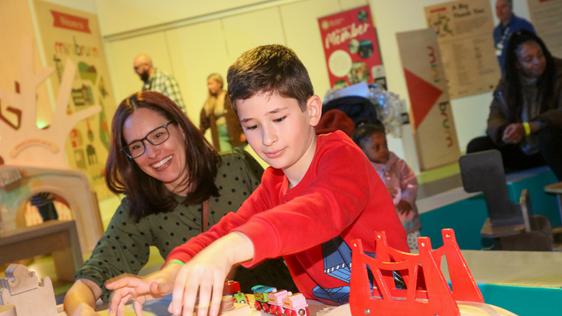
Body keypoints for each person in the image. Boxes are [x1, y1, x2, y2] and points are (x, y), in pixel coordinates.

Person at [106, 44, 408, 316]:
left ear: (312, 110)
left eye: (278, 118)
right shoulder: (274, 182)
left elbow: (318, 210)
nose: (267, 138)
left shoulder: (342, 156)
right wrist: (172, 271)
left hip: (399, 301)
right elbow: (230, 226)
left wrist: (229, 250)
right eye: (252, 125)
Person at [63, 91, 295, 316]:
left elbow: (289, 226)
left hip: (284, 305)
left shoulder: (236, 168)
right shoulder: (140, 207)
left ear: (181, 129)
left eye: (157, 135)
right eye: (136, 146)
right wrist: (81, 310)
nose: (152, 152)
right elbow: (90, 278)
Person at [467, 30, 562, 181]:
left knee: (548, 136)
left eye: (540, 55)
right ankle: (497, 200)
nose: (537, 61)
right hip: (523, 149)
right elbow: (494, 118)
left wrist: (530, 127)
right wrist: (505, 131)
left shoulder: (558, 72)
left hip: (553, 146)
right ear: (517, 64)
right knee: (477, 147)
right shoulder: (507, 84)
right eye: (529, 59)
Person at [353, 123, 420, 252]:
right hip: (384, 229)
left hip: (407, 222)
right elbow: (363, 196)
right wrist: (381, 193)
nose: (383, 150)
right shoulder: (364, 171)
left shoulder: (398, 164)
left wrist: (407, 199)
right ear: (362, 151)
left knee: (415, 253)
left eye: (385, 145)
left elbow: (411, 182)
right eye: (376, 147)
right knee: (394, 256)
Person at [199, 73, 245, 152]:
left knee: (239, 157)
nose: (209, 87)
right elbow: (203, 123)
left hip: (235, 133)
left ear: (219, 83)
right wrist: (198, 136)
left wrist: (244, 132)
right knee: (228, 158)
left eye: (211, 83)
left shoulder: (230, 97)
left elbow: (241, 114)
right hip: (220, 137)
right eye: (208, 84)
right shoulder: (209, 103)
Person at [493, 0, 535, 72]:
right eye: (497, 8)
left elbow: (534, 48)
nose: (499, 11)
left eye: (503, 7)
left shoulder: (523, 25)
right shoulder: (496, 32)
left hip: (523, 73)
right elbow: (498, 53)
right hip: (507, 75)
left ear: (511, 7)